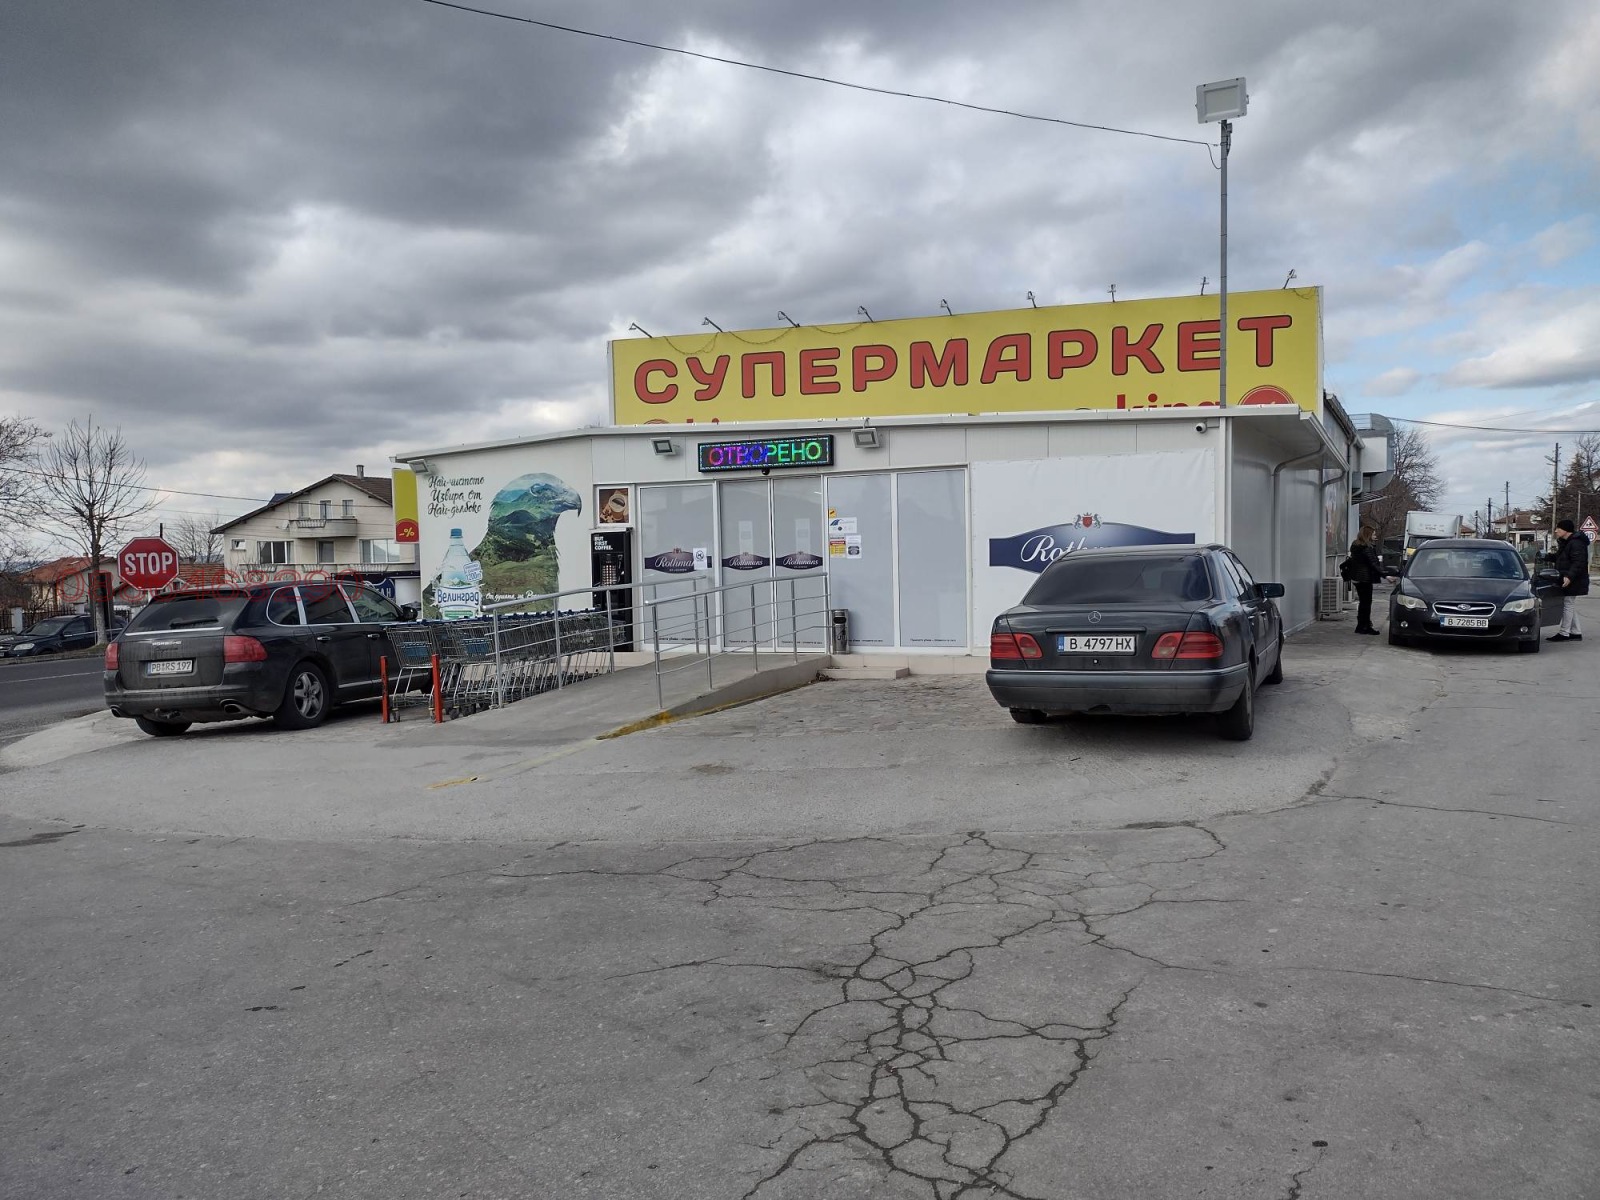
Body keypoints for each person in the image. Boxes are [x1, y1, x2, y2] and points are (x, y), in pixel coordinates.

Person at [1547, 518, 1589, 642]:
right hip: (1568, 578)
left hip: (1574, 579)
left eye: (1558, 528)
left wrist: (1569, 576)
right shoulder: (1567, 542)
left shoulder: (1576, 543)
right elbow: (1561, 558)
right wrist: (1547, 557)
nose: (1556, 531)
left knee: (1567, 603)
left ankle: (1564, 633)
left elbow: (1578, 562)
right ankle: (1576, 632)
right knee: (1568, 604)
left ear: (1566, 530)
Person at [1347, 525, 1388, 635]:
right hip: (1365, 578)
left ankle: (1361, 626)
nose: (1375, 536)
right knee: (1366, 603)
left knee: (1363, 603)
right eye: (1373, 534)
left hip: (1357, 578)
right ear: (1368, 535)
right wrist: (1385, 575)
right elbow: (1373, 564)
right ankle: (1365, 626)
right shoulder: (1367, 548)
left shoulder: (1355, 546)